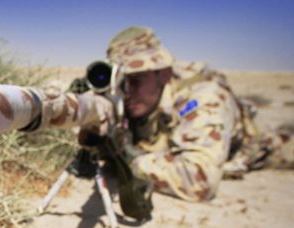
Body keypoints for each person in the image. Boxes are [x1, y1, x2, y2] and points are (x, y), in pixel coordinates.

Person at [77, 26, 293, 202]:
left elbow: (200, 181)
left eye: (135, 81)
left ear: (163, 74)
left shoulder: (202, 98)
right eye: (122, 83)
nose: (127, 92)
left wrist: (129, 161)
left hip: (268, 149)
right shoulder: (134, 95)